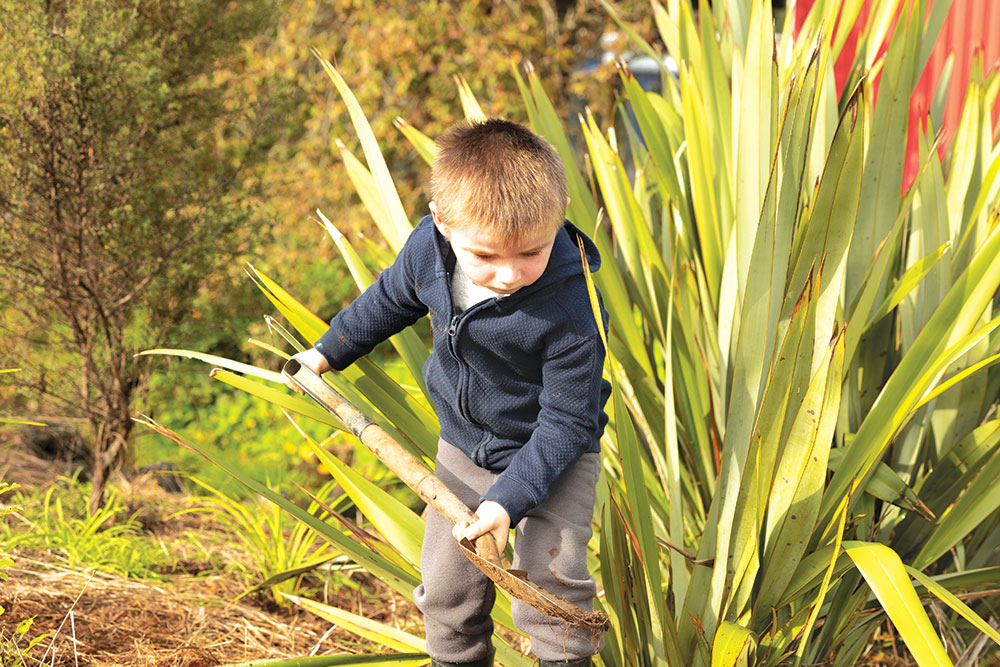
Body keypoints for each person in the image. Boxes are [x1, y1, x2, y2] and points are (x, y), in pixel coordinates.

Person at [287, 119, 610, 667]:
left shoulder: (570, 309)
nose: (509, 274)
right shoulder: (428, 252)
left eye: (532, 252)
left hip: (554, 455)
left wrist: (506, 502)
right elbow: (388, 299)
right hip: (464, 448)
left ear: (557, 220)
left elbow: (568, 421)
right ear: (441, 222)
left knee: (552, 587)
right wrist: (324, 354)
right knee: (447, 592)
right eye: (486, 257)